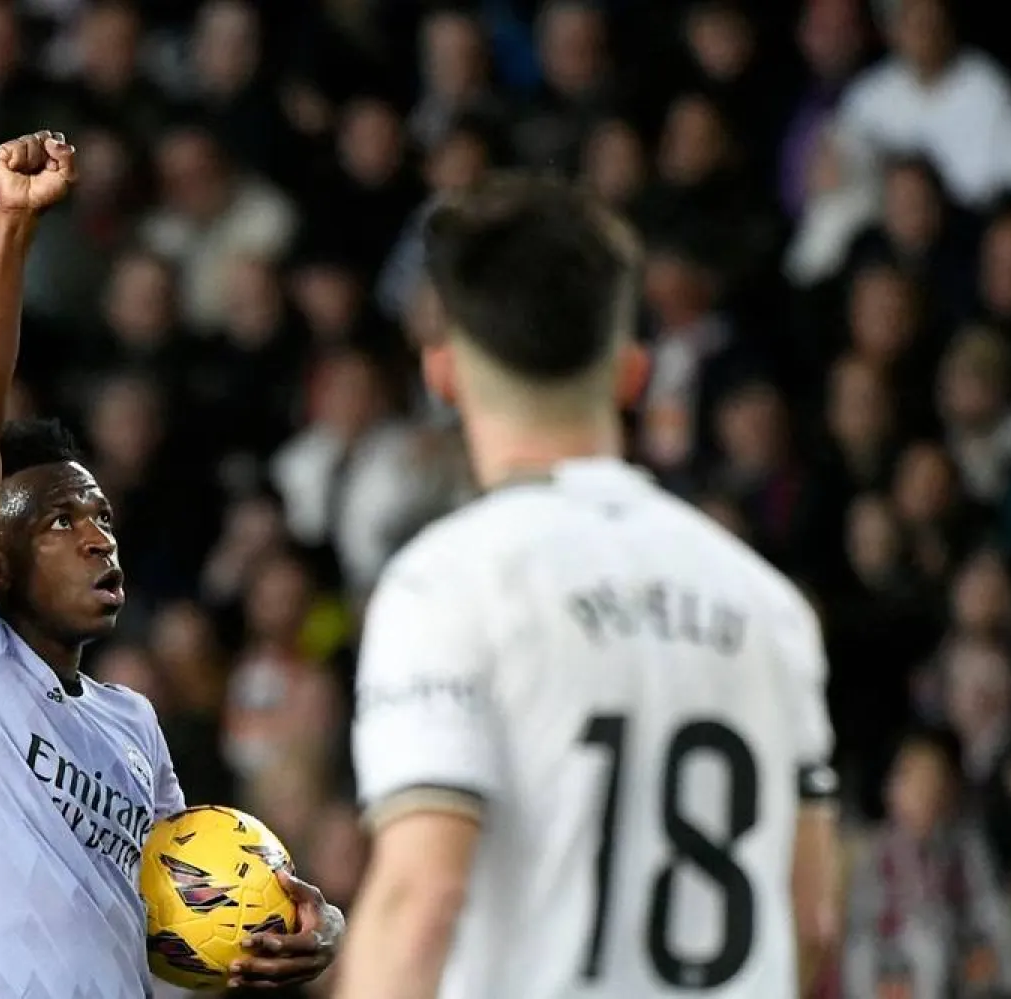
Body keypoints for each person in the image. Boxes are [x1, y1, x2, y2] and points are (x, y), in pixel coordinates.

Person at [332, 174, 840, 999]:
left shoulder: (447, 584)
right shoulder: (767, 602)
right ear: (633, 373)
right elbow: (810, 914)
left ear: (444, 374)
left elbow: (421, 900)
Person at [0, 130, 343, 999]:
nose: (99, 537)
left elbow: (192, 923)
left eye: (101, 515)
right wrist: (11, 226)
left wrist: (309, 929)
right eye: (60, 519)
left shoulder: (133, 725)